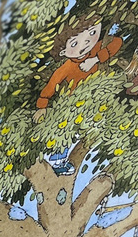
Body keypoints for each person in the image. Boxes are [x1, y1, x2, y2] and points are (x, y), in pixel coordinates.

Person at [33, 11, 125, 175]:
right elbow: (51, 86)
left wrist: (95, 59)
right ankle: (57, 159)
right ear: (63, 52)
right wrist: (42, 107)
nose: (85, 42)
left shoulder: (95, 50)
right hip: (73, 105)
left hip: (95, 100)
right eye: (75, 43)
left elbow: (117, 42)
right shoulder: (66, 67)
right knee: (69, 132)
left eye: (92, 33)